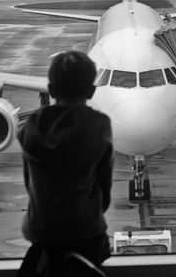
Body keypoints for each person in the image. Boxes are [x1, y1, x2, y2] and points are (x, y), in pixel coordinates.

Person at [17, 51, 113, 276]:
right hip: (86, 233)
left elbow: (28, 182)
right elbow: (104, 190)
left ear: (50, 90)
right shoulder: (98, 125)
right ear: (91, 91)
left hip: (42, 232)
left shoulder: (32, 125)